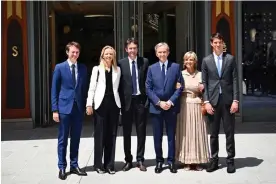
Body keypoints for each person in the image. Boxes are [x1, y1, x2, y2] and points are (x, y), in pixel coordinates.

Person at [201, 33, 239, 173]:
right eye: (215, 42)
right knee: (213, 133)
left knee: (229, 132)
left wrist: (236, 100)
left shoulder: (230, 59)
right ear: (211, 43)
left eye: (220, 42)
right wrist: (206, 102)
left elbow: (235, 80)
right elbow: (204, 82)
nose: (218, 45)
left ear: (223, 43)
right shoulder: (206, 61)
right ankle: (214, 161)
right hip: (213, 101)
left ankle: (230, 161)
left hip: (228, 100)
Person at [51, 41, 88, 180]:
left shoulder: (83, 68)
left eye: (77, 52)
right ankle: (62, 166)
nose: (75, 54)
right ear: (67, 52)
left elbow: (83, 89)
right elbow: (54, 90)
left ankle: (74, 165)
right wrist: (55, 109)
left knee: (76, 139)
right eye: (72, 52)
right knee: (63, 139)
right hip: (64, 108)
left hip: (78, 109)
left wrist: (85, 105)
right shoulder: (59, 67)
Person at [145, 42, 184, 174]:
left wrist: (170, 101)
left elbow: (180, 87)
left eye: (164, 52)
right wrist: (158, 102)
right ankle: (159, 161)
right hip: (157, 108)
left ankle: (171, 161)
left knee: (171, 136)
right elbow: (148, 88)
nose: (162, 54)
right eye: (160, 52)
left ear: (168, 53)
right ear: (156, 54)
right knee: (157, 136)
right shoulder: (151, 68)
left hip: (171, 107)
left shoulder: (176, 67)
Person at [86, 46, 121, 175]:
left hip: (114, 105)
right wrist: (89, 104)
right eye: (106, 54)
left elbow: (118, 89)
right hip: (100, 105)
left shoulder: (118, 70)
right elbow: (91, 88)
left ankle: (110, 165)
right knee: (100, 135)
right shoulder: (97, 70)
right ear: (102, 55)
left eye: (111, 54)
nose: (108, 56)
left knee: (111, 135)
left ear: (113, 56)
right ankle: (98, 165)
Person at [118, 38, 149, 172]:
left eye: (134, 48)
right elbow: (118, 85)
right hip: (126, 103)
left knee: (141, 132)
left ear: (137, 49)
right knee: (127, 133)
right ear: (126, 50)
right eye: (130, 48)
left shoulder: (145, 62)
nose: (132, 51)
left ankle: (140, 159)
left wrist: (147, 100)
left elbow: (148, 82)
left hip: (140, 102)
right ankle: (128, 160)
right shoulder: (121, 64)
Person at [175, 51, 210, 171]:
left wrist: (203, 89)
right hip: (185, 105)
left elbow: (206, 91)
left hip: (198, 106)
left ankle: (198, 160)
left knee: (197, 132)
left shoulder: (201, 74)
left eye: (191, 59)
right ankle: (187, 161)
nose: (189, 62)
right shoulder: (180, 74)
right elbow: (175, 91)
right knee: (187, 133)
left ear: (195, 61)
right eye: (187, 59)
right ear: (184, 62)